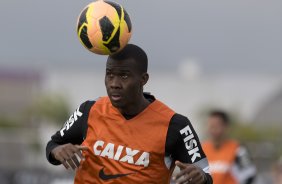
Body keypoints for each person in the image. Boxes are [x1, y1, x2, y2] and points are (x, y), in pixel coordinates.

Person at [46, 44, 213, 184]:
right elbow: (53, 145)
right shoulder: (88, 110)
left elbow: (205, 174)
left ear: (143, 79)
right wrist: (57, 150)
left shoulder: (175, 125)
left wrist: (202, 178)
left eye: (124, 76)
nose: (114, 84)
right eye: (109, 75)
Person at [202, 110, 256, 184]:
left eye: (216, 126)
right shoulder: (201, 150)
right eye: (211, 126)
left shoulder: (238, 150)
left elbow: (249, 175)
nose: (213, 129)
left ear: (226, 127)